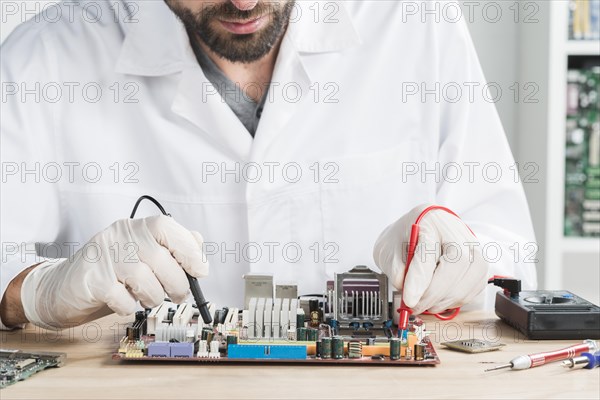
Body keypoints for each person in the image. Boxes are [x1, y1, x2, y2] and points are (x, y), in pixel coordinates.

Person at [0, 0, 537, 330]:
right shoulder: (47, 56)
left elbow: (510, 257)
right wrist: (40, 293)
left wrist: (463, 256)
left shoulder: (417, 24)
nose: (245, 1)